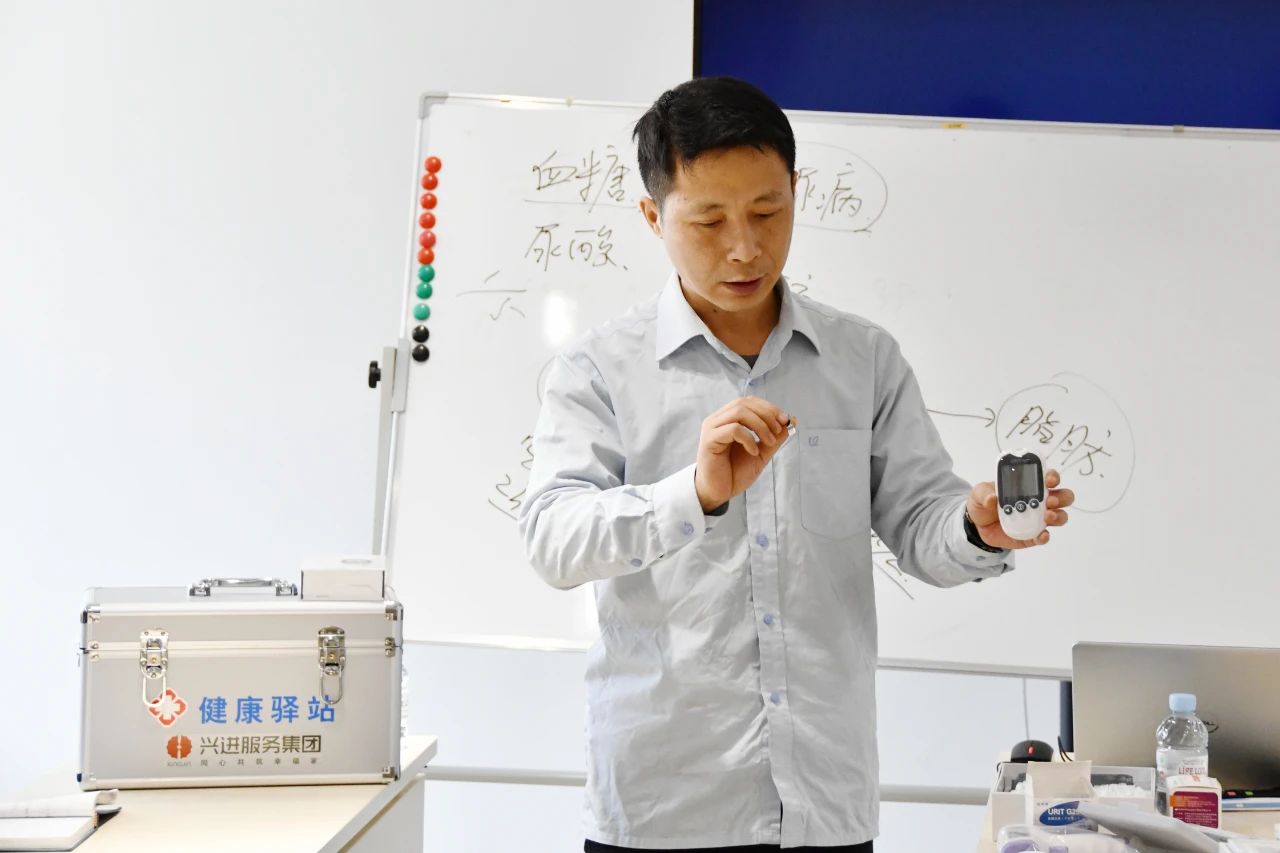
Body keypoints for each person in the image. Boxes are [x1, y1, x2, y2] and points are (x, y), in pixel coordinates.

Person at [518, 76, 1074, 852]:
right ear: (653, 217)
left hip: (824, 799)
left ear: (795, 192)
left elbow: (923, 523)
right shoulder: (599, 369)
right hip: (661, 803)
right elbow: (553, 538)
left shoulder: (862, 359)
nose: (745, 247)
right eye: (709, 220)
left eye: (767, 211)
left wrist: (977, 529)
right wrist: (695, 493)